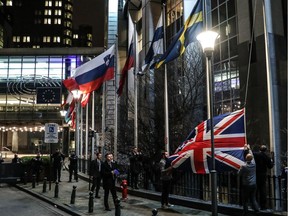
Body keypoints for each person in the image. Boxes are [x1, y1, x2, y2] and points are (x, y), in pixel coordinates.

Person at [238, 148, 259, 216]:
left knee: (245, 199)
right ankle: (256, 209)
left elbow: (239, 174)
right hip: (254, 184)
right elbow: (252, 155)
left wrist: (239, 169)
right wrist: (249, 149)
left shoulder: (243, 166)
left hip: (246, 185)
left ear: (246, 159)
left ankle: (246, 212)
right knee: (253, 198)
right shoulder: (254, 164)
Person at [253, 144, 274, 210]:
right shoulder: (266, 157)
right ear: (266, 150)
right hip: (263, 175)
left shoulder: (256, 154)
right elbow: (270, 166)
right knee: (262, 190)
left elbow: (250, 155)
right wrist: (272, 161)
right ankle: (263, 206)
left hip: (256, 174)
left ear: (260, 149)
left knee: (255, 190)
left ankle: (255, 205)